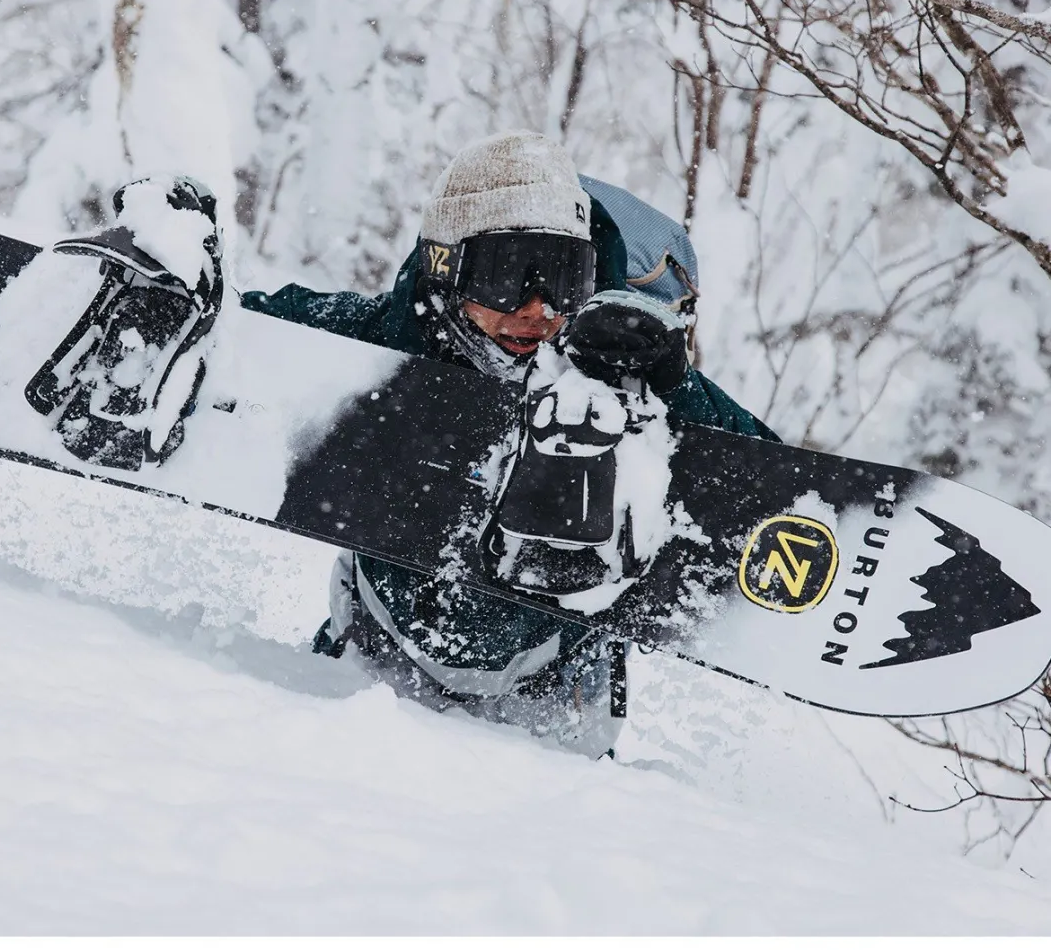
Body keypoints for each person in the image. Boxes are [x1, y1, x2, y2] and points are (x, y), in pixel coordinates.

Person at [103, 132, 777, 754]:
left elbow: (774, 479)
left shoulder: (621, 383)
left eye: (564, 278)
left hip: (557, 717)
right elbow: (231, 343)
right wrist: (172, 286)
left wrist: (676, 389)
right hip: (362, 681)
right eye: (509, 274)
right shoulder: (370, 348)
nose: (538, 309)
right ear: (448, 267)